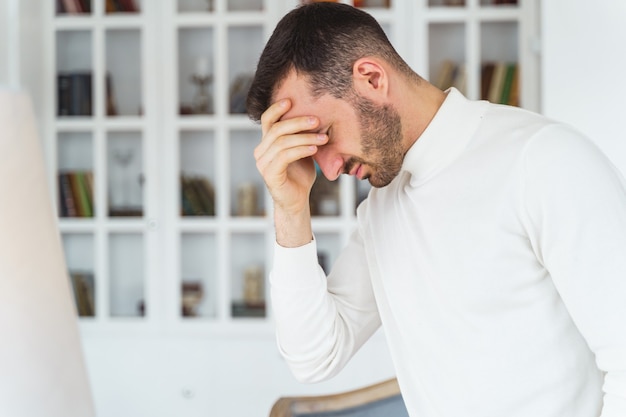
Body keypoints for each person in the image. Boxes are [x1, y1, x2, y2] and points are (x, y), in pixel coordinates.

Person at [246, 3, 626, 417]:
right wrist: (290, 208)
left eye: (326, 135)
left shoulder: (544, 160)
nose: (331, 171)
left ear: (371, 79)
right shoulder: (382, 207)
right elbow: (314, 358)